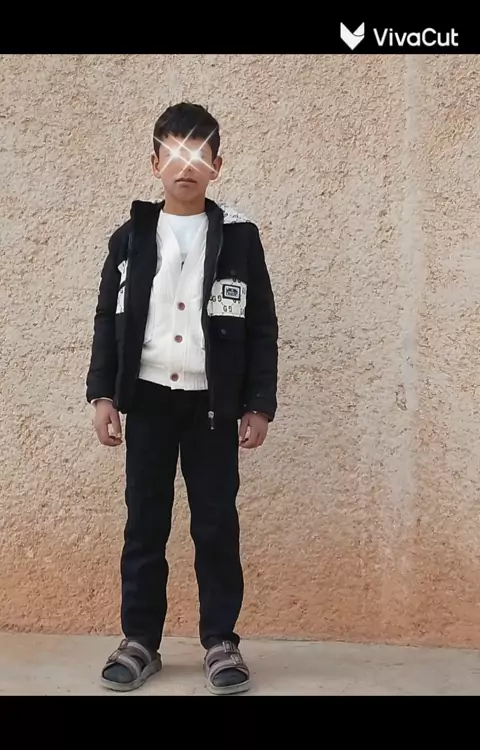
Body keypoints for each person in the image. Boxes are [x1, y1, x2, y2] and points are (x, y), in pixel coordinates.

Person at [86, 102, 278, 695]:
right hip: (147, 401)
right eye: (173, 153)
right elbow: (107, 318)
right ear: (155, 164)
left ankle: (221, 641)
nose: (186, 165)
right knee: (145, 524)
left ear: (217, 165)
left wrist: (258, 402)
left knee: (215, 524)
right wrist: (102, 393)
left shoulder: (240, 238)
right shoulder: (130, 238)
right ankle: (140, 640)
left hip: (213, 407)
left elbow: (262, 325)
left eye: (199, 154)